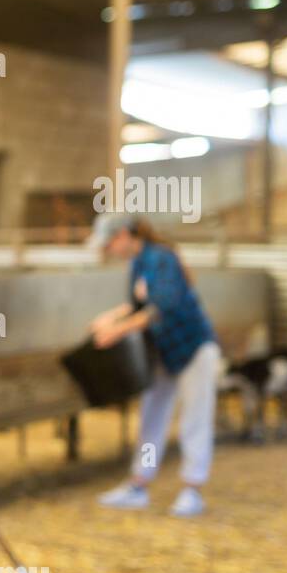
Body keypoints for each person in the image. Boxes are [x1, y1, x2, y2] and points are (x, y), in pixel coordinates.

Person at [87, 212, 219, 517]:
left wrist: (119, 330)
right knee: (152, 416)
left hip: (193, 349)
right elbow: (139, 305)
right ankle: (139, 485)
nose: (109, 251)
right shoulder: (138, 264)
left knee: (194, 418)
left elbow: (164, 306)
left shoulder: (161, 258)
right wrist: (112, 316)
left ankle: (192, 490)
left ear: (123, 235)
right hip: (163, 353)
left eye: (109, 244)